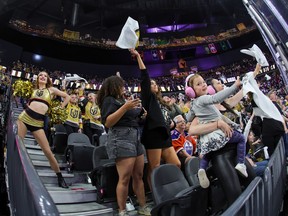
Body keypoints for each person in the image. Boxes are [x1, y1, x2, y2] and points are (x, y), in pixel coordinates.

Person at [97, 75, 151, 216]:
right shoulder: (109, 100)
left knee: (139, 175)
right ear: (114, 86)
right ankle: (122, 211)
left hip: (135, 137)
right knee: (125, 177)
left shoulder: (121, 101)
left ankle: (143, 207)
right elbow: (108, 122)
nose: (123, 88)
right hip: (120, 138)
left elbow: (130, 119)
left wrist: (140, 115)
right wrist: (126, 107)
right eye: (121, 85)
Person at [130, 48, 181, 188]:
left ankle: (171, 187)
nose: (153, 84)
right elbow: (145, 76)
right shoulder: (148, 97)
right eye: (150, 84)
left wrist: (171, 124)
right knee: (155, 167)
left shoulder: (162, 102)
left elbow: (167, 118)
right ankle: (156, 194)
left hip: (165, 135)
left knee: (176, 164)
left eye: (154, 83)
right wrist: (138, 57)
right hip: (153, 134)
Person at [186, 73, 247, 188]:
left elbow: (188, 118)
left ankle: (202, 169)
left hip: (207, 138)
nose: (203, 85)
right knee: (241, 138)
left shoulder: (194, 104)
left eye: (203, 82)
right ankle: (241, 164)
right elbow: (216, 98)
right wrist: (235, 85)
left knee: (208, 154)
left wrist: (193, 111)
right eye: (199, 84)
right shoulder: (204, 99)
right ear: (191, 91)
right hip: (219, 134)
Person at [17, 71, 70, 188]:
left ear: (48, 80)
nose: (43, 77)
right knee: (19, 145)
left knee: (47, 152)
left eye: (45, 76)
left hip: (38, 122)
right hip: (24, 118)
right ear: (37, 78)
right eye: (41, 75)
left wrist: (59, 108)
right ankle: (16, 169)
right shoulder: (32, 89)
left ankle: (59, 177)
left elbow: (67, 97)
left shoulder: (51, 90)